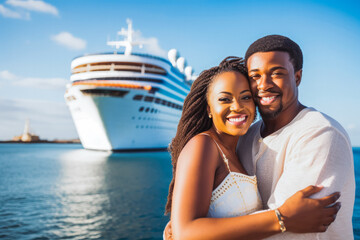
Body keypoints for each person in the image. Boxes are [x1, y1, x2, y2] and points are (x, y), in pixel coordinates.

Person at [164, 56, 341, 240]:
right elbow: (186, 233)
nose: (238, 107)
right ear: (209, 109)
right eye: (225, 99)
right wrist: (282, 218)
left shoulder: (239, 148)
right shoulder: (204, 145)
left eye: (246, 97)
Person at [237, 35, 355, 239]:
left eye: (277, 73)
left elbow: (287, 234)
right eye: (255, 76)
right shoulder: (245, 137)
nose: (263, 84)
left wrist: (197, 232)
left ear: (297, 77)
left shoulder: (320, 133)